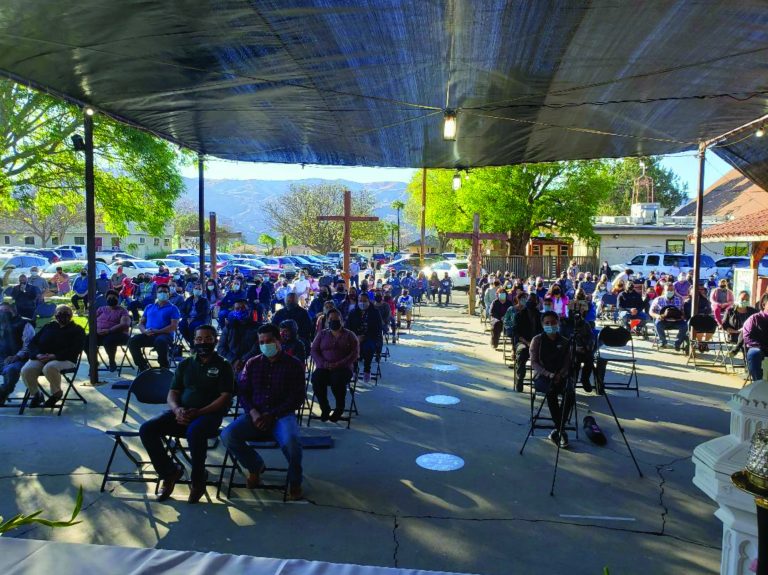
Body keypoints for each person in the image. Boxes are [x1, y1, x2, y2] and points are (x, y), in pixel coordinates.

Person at [139, 325, 234, 503]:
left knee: (195, 432)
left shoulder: (223, 365)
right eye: (199, 339)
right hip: (182, 413)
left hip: (209, 416)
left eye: (207, 339)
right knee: (147, 429)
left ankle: (198, 479)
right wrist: (177, 409)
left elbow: (225, 397)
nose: (203, 342)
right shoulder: (185, 364)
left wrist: (199, 412)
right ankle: (169, 472)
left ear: (215, 340)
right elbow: (173, 392)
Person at [221, 323, 304, 500]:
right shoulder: (252, 363)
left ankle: (296, 480)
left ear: (279, 340)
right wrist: (253, 412)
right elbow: (243, 392)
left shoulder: (294, 365)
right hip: (255, 415)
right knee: (228, 435)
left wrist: (272, 414)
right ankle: (255, 466)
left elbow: (297, 398)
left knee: (292, 442)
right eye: (261, 342)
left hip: (282, 415)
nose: (265, 345)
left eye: (269, 341)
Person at [21, 305, 85, 408]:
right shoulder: (48, 327)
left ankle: (56, 393)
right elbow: (33, 343)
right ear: (55, 315)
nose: (62, 316)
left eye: (66, 313)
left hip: (65, 359)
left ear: (71, 315)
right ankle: (36, 395)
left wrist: (54, 356)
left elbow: (76, 349)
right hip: (41, 357)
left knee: (49, 367)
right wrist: (37, 355)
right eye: (59, 314)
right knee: (27, 370)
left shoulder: (77, 330)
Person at [530, 312, 573, 448]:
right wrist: (548, 374)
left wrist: (561, 374)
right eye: (547, 323)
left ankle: (558, 430)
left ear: (558, 323)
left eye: (553, 322)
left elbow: (568, 362)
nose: (550, 325)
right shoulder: (537, 340)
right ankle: (561, 431)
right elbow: (534, 363)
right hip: (543, 377)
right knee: (551, 391)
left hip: (561, 376)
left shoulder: (565, 341)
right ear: (542, 325)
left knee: (570, 393)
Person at [310, 309, 359, 421]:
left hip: (343, 368)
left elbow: (354, 354)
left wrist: (338, 364)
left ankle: (339, 408)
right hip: (324, 367)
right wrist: (323, 363)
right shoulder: (322, 334)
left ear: (341, 320)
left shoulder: (350, 335)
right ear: (327, 320)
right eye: (331, 319)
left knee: (337, 381)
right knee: (316, 379)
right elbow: (313, 350)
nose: (334, 321)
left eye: (336, 319)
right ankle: (325, 407)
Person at [128, 284, 180, 372]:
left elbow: (173, 326)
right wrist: (144, 331)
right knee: (132, 341)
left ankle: (164, 366)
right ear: (157, 293)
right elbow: (141, 323)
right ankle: (142, 366)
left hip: (165, 335)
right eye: (160, 292)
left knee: (160, 341)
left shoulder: (173, 308)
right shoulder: (149, 307)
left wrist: (158, 331)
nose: (162, 293)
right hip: (149, 334)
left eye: (165, 292)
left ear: (169, 294)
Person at [0, 303, 35, 406]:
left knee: (11, 371)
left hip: (18, 359)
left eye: (6, 311)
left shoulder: (24, 324)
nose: (3, 313)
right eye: (0, 311)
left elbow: (29, 345)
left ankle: (2, 394)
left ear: (13, 312)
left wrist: (17, 356)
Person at [346, 292, 382, 383]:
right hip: (355, 337)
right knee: (351, 347)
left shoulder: (375, 312)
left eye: (364, 301)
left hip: (370, 337)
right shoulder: (353, 313)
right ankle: (354, 369)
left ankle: (367, 369)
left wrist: (365, 337)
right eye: (360, 300)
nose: (362, 302)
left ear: (368, 301)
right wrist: (355, 337)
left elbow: (378, 329)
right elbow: (348, 327)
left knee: (368, 347)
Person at [509, 293, 543, 392]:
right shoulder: (519, 315)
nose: (530, 302)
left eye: (533, 301)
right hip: (523, 342)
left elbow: (542, 332)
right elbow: (516, 333)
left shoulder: (539, 316)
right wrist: (527, 342)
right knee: (522, 352)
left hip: (536, 343)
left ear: (536, 303)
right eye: (529, 300)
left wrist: (536, 343)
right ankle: (520, 379)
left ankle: (541, 380)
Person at [217, 299, 260, 372]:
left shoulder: (257, 327)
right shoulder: (228, 327)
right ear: (233, 311)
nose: (240, 310)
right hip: (231, 364)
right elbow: (221, 348)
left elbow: (257, 348)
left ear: (249, 310)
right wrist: (234, 360)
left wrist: (243, 360)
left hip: (251, 365)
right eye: (237, 309)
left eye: (243, 308)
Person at [95, 290, 131, 371]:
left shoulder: (122, 310)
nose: (111, 299)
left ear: (118, 299)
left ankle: (112, 361)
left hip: (117, 334)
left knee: (109, 340)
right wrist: (97, 330)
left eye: (114, 298)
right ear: (106, 299)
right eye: (109, 298)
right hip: (100, 334)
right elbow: (92, 321)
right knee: (87, 339)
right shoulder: (101, 309)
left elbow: (124, 324)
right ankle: (93, 363)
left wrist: (109, 330)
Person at [649, 283, 687, 351]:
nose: (670, 291)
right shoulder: (658, 299)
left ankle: (677, 343)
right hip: (663, 320)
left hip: (676, 320)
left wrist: (682, 316)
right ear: (664, 290)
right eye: (668, 290)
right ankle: (663, 342)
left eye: (671, 290)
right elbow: (651, 312)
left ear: (674, 290)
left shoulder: (679, 299)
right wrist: (657, 316)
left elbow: (683, 312)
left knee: (684, 326)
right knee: (657, 324)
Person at [723, 292, 757, 357]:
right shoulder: (730, 311)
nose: (744, 301)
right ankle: (748, 364)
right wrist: (737, 331)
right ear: (738, 299)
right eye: (742, 299)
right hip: (734, 336)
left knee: (746, 332)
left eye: (746, 300)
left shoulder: (753, 311)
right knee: (745, 339)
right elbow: (724, 325)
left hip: (750, 336)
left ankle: (736, 350)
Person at [743, 294, 768, 382]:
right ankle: (758, 383)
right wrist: (760, 346)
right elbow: (747, 337)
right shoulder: (754, 318)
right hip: (758, 348)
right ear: (764, 305)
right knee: (754, 354)